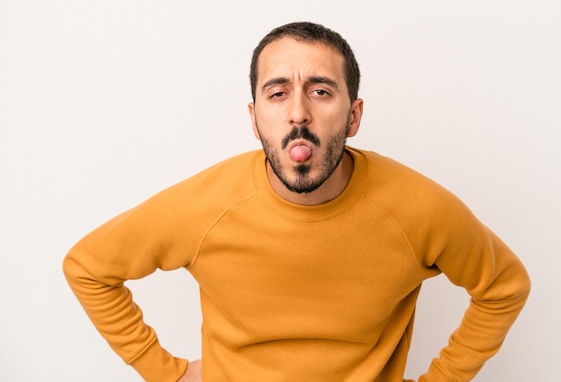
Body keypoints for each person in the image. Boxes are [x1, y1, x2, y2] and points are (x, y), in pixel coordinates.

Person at [63, 21, 530, 382]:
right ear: (255, 118)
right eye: (278, 92)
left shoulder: (417, 209)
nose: (298, 112)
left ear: (354, 116)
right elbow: (88, 267)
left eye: (321, 91)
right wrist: (166, 371)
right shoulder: (206, 206)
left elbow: (504, 287)